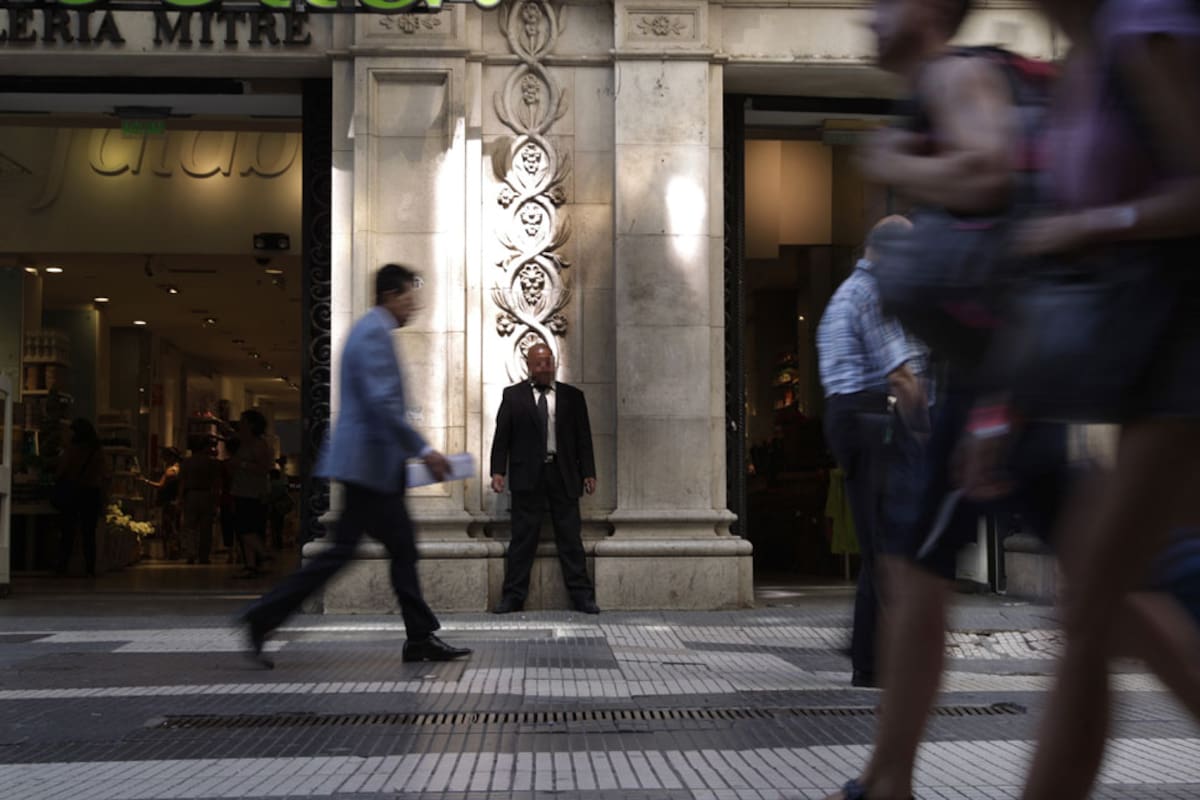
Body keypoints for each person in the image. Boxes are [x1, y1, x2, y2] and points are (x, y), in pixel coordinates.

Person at [1005, 0, 1200, 796]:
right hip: (1142, 371)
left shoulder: (1147, 30)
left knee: (1089, 606)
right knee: (1095, 606)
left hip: (1182, 364)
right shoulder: (1082, 54)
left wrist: (1096, 225)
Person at [240, 263, 471, 668]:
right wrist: (425, 450)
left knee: (386, 550)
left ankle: (418, 636)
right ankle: (264, 616)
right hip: (369, 469)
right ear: (390, 296)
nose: (413, 304)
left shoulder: (373, 332)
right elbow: (382, 405)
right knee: (361, 553)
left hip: (373, 467)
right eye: (408, 296)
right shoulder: (372, 334)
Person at [816, 215, 930, 688]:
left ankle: (870, 653)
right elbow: (901, 375)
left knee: (881, 544)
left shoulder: (844, 295)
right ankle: (875, 659)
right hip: (875, 420)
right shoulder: (873, 294)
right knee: (890, 544)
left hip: (853, 419)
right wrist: (927, 432)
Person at [489, 342, 600, 615]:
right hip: (528, 475)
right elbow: (502, 437)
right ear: (528, 366)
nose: (544, 367)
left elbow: (583, 438)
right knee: (523, 538)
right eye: (539, 362)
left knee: (570, 537)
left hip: (563, 474)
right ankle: (513, 596)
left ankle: (582, 596)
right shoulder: (513, 396)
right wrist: (497, 471)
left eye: (548, 362)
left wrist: (589, 472)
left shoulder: (572, 397)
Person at [55, 418, 109, 576]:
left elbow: (61, 470)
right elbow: (105, 473)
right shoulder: (97, 451)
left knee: (68, 531)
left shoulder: (71, 450)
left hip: (73, 492)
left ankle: (63, 565)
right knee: (89, 532)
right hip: (91, 492)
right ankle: (90, 567)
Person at [229, 409, 273, 578]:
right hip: (241, 490)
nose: (240, 425)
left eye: (244, 421)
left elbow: (263, 468)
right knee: (244, 528)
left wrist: (241, 464)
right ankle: (251, 564)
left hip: (253, 492)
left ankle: (264, 554)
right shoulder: (245, 443)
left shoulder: (259, 444)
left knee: (246, 528)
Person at [178, 434, 221, 565]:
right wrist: (216, 500)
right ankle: (204, 555)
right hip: (207, 494)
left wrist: (179, 498)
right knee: (206, 528)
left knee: (190, 527)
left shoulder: (186, 462)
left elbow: (182, 482)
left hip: (191, 494)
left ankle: (191, 553)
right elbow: (216, 483)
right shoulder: (212, 463)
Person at [141, 447, 182, 560]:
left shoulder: (171, 471)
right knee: (173, 526)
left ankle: (170, 552)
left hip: (168, 501)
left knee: (168, 527)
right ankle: (173, 551)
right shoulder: (179, 468)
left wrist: (145, 481)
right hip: (174, 501)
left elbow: (161, 485)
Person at [267, 469, 293, 552]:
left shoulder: (271, 484)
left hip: (274, 507)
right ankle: (279, 543)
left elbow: (270, 496)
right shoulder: (282, 484)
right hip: (281, 508)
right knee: (279, 526)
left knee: (274, 526)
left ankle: (275, 544)